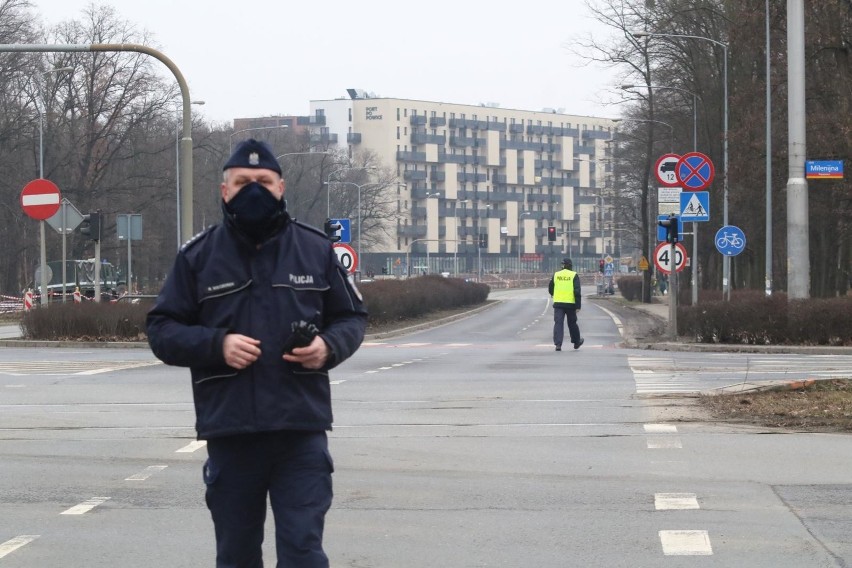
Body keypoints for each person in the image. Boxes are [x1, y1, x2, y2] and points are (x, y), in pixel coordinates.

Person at [146, 139, 368, 568]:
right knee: (236, 554)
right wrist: (217, 345)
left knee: (303, 550)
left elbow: (352, 317)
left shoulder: (315, 249)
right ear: (224, 190)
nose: (255, 190)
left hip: (299, 431)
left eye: (264, 182)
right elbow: (161, 329)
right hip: (232, 432)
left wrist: (327, 347)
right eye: (243, 182)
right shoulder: (197, 257)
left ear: (281, 188)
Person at [549, 257, 583, 351]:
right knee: (572, 323)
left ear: (562, 266)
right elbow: (577, 291)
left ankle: (558, 344)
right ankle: (576, 342)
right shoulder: (574, 275)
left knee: (558, 323)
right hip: (570, 304)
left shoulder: (556, 274)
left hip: (558, 303)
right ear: (571, 266)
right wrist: (578, 306)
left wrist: (553, 294)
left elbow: (551, 287)